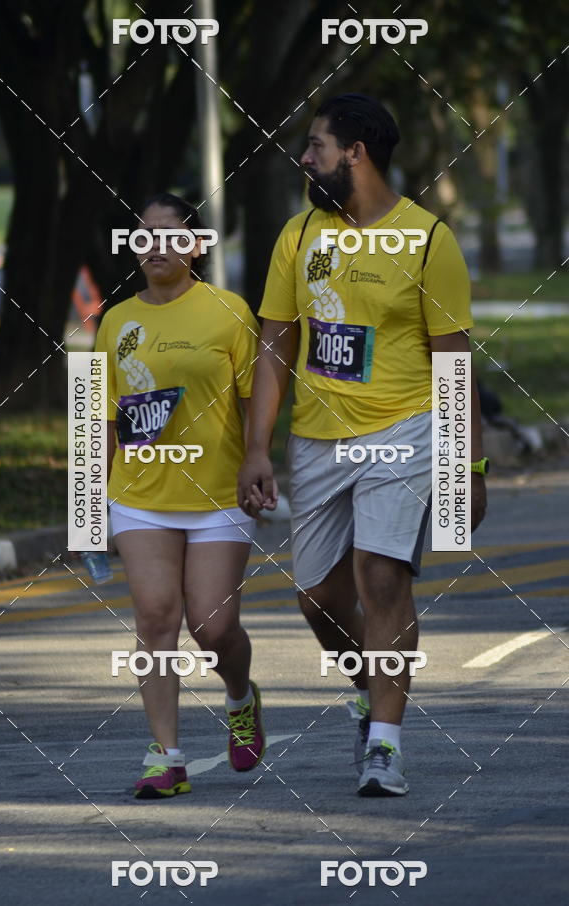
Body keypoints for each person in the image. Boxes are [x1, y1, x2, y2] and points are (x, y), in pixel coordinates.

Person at [238, 94, 487, 796]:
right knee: (318, 600)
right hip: (317, 441)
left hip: (403, 432)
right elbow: (275, 350)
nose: (305, 158)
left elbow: (453, 364)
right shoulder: (299, 235)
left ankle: (385, 744)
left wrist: (468, 464)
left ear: (356, 153)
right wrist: (257, 449)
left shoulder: (428, 240)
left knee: (382, 579)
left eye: (316, 146)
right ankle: (366, 688)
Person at [95, 192, 265, 799]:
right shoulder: (115, 321)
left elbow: (257, 404)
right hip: (139, 493)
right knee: (155, 615)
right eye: (144, 236)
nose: (156, 245)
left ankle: (241, 697)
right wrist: (88, 508)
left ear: (196, 245)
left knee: (212, 625)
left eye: (170, 234)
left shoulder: (229, 312)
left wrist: (259, 460)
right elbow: (103, 418)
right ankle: (165, 756)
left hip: (217, 493)